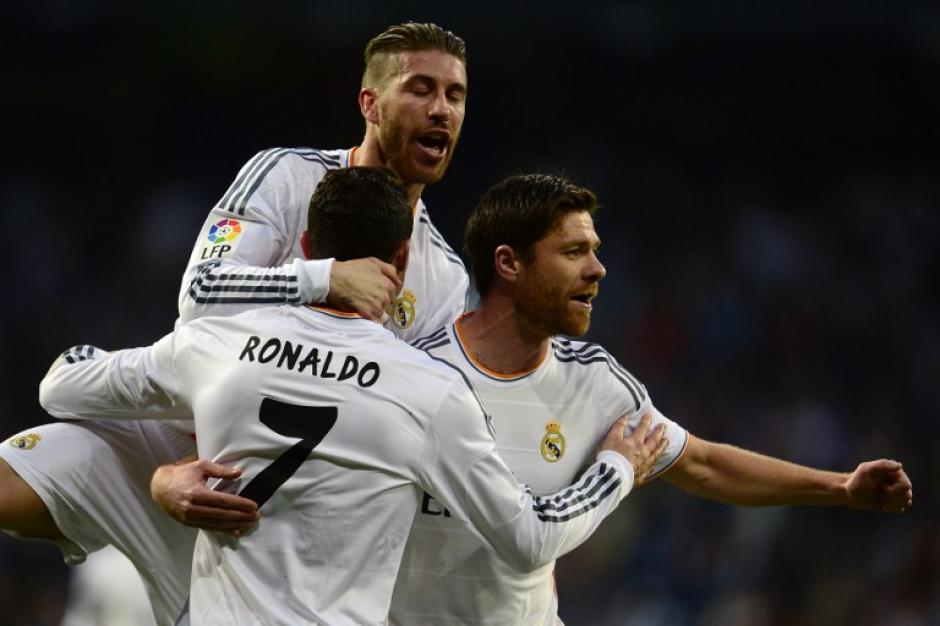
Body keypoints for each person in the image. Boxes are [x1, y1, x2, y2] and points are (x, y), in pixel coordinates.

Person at [39, 167, 668, 625]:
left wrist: (160, 475)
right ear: (403, 256)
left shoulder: (218, 342)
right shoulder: (427, 387)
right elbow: (529, 539)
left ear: (307, 248)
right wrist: (615, 467)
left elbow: (62, 385)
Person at [0, 22, 473, 624]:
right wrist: (322, 279)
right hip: (166, 445)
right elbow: (200, 294)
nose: (440, 109)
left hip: (272, 522)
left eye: (454, 95)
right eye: (421, 88)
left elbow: (423, 433)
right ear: (370, 104)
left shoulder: (444, 280)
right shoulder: (286, 176)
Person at [382, 174, 913, 625]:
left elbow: (704, 465)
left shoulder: (594, 384)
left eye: (595, 251)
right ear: (509, 263)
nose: (597, 269)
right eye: (573, 252)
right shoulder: (416, 376)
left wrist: (840, 487)